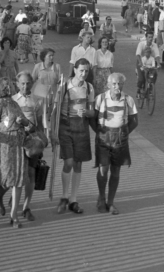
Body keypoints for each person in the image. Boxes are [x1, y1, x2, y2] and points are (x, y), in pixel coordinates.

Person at [50, 59, 95, 215]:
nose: (84, 74)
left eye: (86, 71)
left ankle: (73, 200)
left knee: (78, 164)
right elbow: (55, 110)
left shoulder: (89, 87)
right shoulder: (64, 85)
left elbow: (92, 111)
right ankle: (63, 196)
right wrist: (52, 132)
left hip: (81, 126)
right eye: (81, 70)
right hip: (66, 126)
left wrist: (87, 113)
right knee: (68, 161)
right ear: (75, 70)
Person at [91, 73, 139, 215]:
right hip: (103, 139)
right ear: (108, 85)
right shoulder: (100, 99)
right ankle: (101, 197)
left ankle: (110, 202)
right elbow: (92, 119)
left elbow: (135, 121)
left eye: (119, 84)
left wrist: (123, 133)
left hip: (120, 140)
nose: (117, 87)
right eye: (114, 84)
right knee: (103, 169)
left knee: (116, 171)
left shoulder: (128, 100)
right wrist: (100, 132)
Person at [0, 78, 29, 228]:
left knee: (18, 180)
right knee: (6, 177)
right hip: (5, 145)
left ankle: (14, 215)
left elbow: (27, 122)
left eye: (9, 85)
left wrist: (23, 122)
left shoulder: (15, 103)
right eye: (5, 86)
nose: (8, 88)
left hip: (19, 145)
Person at [12, 71, 45, 222]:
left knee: (31, 174)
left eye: (28, 83)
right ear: (17, 84)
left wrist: (43, 138)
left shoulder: (37, 101)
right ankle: (9, 203)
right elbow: (5, 125)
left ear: (32, 84)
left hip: (32, 142)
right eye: (22, 83)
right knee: (17, 176)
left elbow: (39, 124)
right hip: (16, 141)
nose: (25, 86)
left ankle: (26, 207)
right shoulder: (12, 101)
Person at [31, 48, 61, 119]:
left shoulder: (57, 67)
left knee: (51, 118)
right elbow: (32, 81)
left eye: (53, 55)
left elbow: (60, 83)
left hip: (52, 98)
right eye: (50, 56)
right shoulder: (37, 67)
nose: (52, 57)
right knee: (40, 117)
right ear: (44, 57)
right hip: (40, 98)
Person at [135, 32, 160, 97]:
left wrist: (159, 64)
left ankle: (151, 87)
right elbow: (138, 55)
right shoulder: (141, 44)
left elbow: (157, 55)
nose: (151, 39)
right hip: (141, 62)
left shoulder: (154, 45)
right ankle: (138, 90)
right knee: (141, 79)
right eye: (149, 37)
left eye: (152, 37)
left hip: (151, 63)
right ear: (146, 37)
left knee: (154, 74)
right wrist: (141, 64)